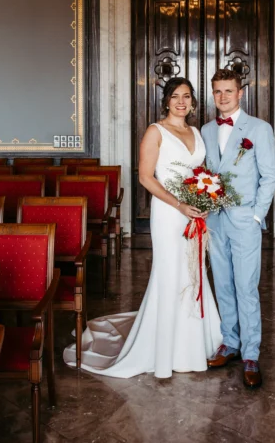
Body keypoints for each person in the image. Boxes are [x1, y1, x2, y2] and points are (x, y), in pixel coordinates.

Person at [64, 77, 222, 378]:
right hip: (168, 213)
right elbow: (146, 177)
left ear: (193, 102)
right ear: (165, 101)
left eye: (187, 96)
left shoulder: (196, 131)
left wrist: (205, 195)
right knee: (170, 274)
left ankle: (193, 345)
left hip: (193, 212)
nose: (181, 102)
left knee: (194, 271)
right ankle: (163, 353)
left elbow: (199, 172)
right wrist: (179, 204)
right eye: (175, 96)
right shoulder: (155, 131)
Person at [201, 69, 275, 389]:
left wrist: (257, 216)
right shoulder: (205, 130)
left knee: (246, 287)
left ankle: (251, 354)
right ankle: (229, 343)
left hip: (245, 219)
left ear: (240, 92)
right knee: (223, 284)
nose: (222, 97)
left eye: (228, 91)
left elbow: (270, 176)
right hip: (215, 221)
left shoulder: (259, 129)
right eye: (217, 91)